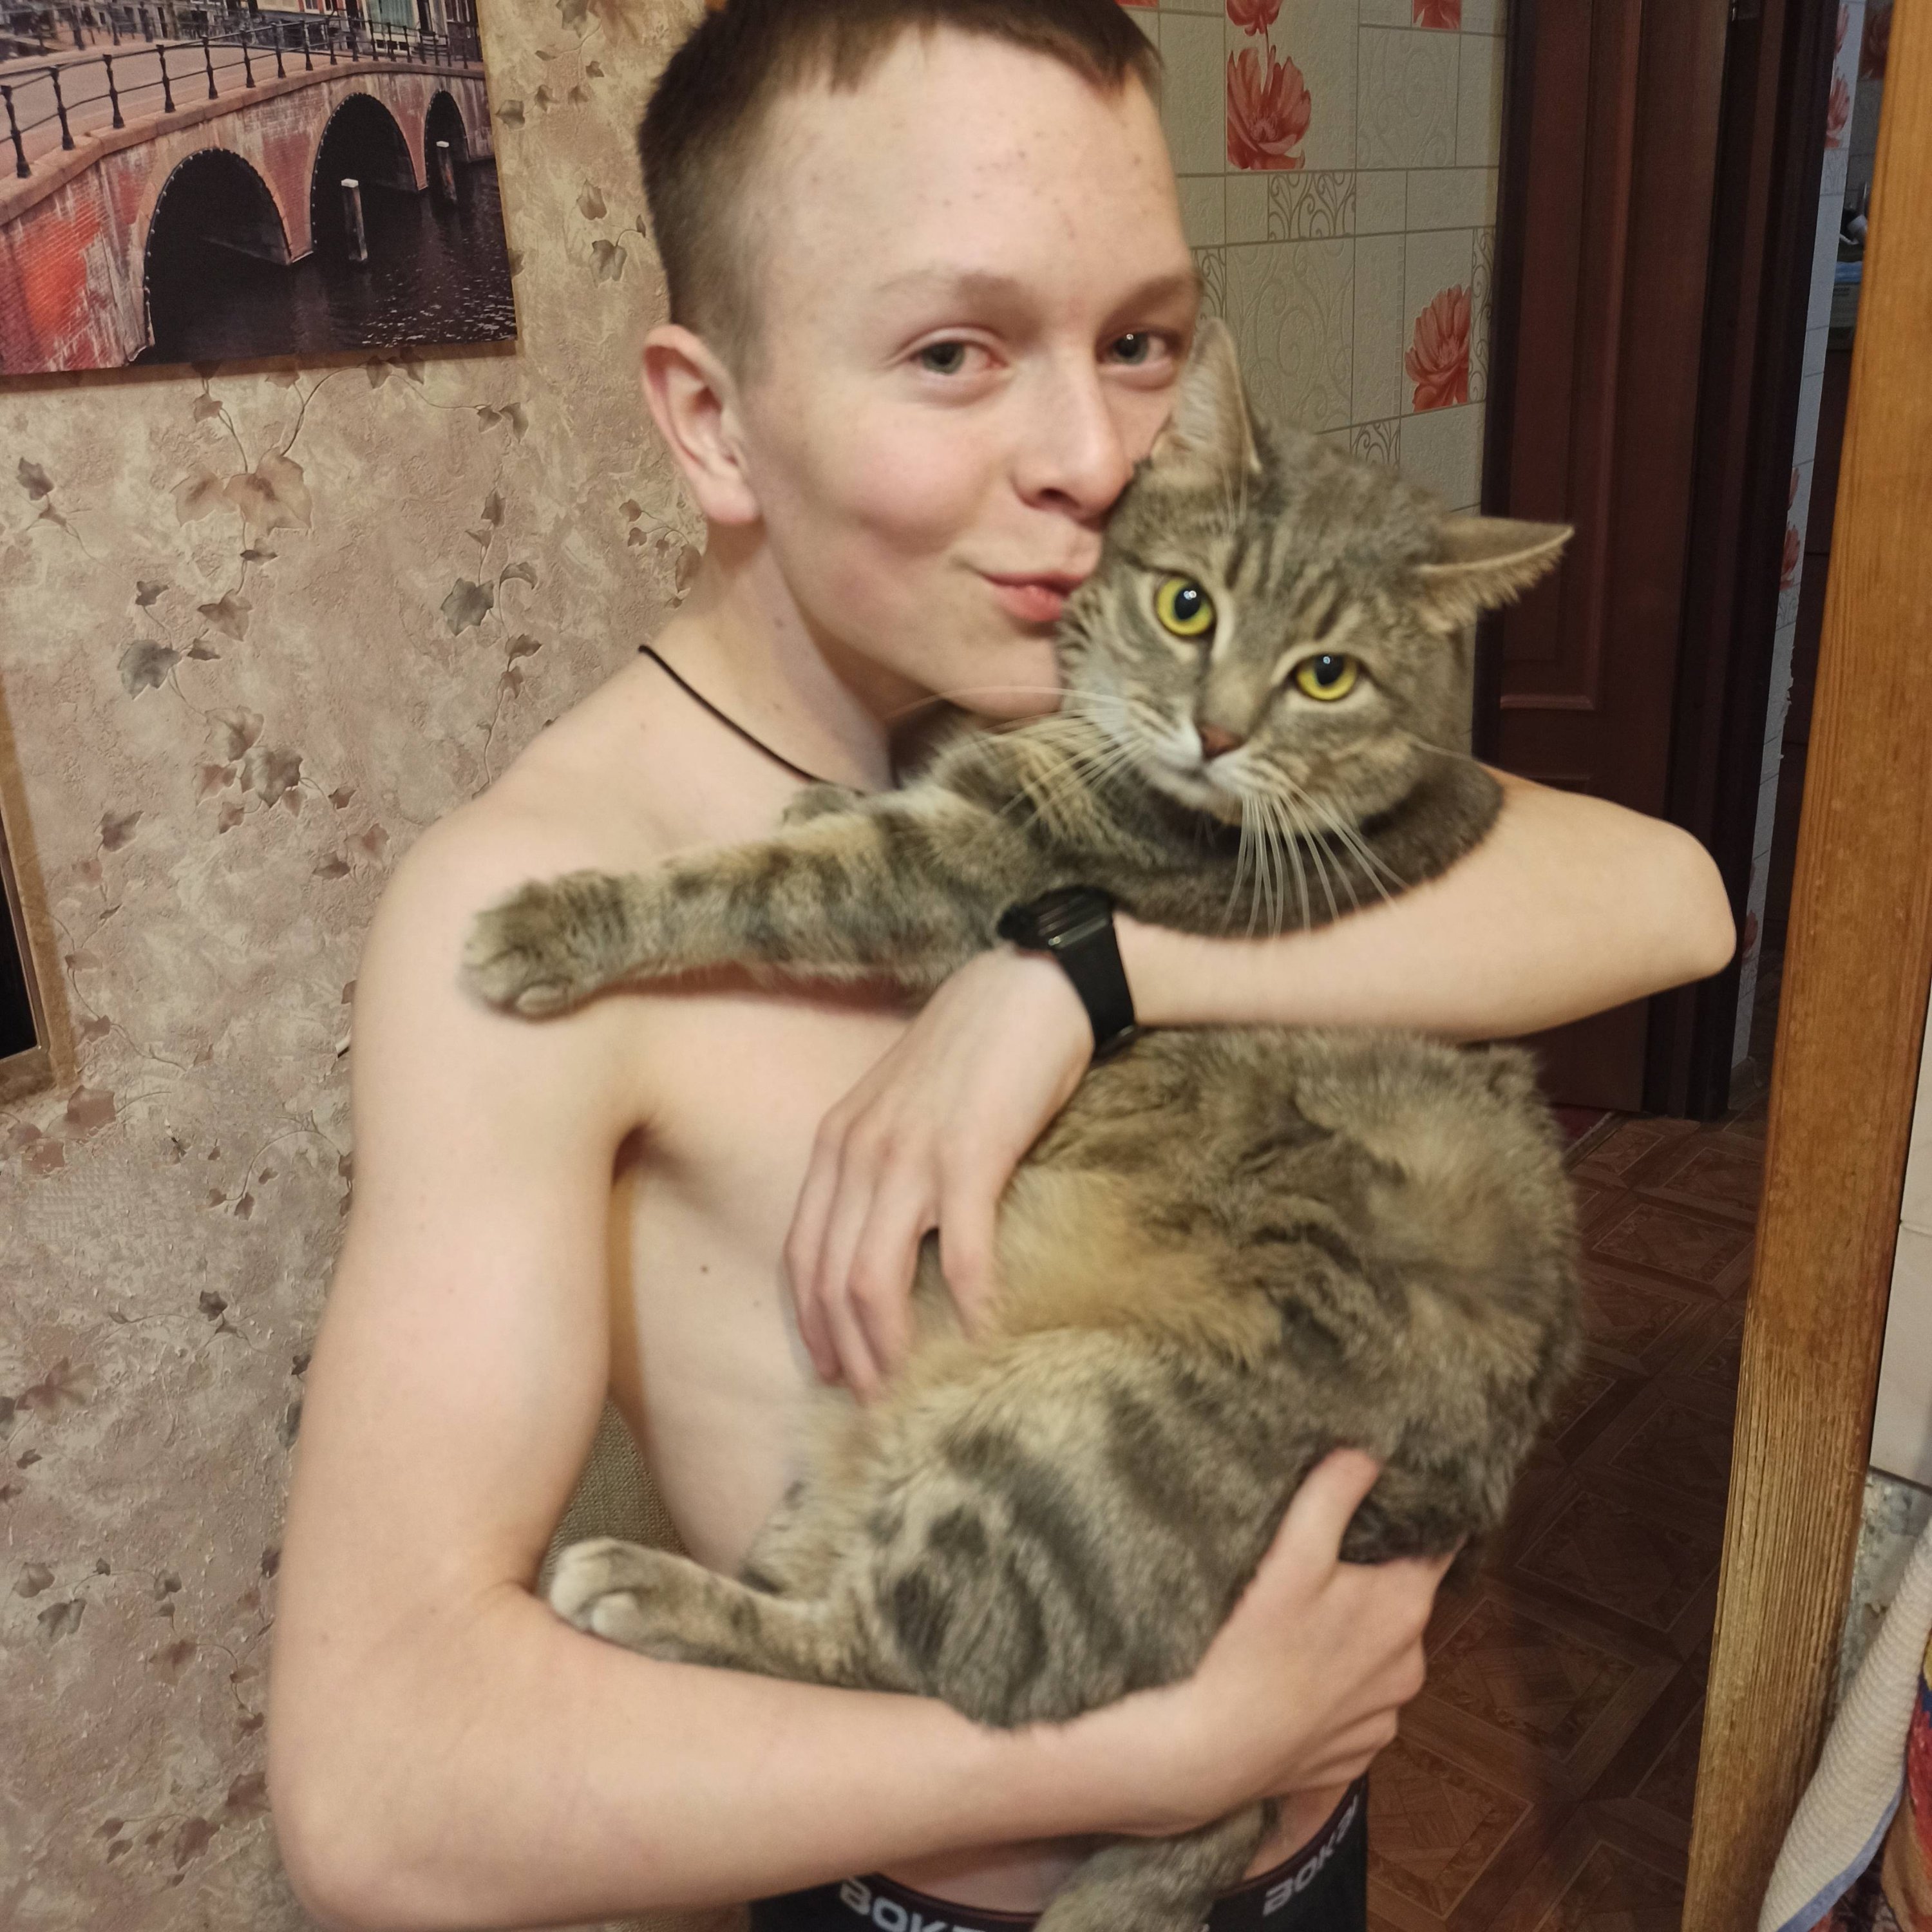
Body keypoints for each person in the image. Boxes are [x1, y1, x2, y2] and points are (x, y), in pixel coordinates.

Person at [266, 4, 1738, 1928]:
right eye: (955, 353)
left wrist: (1080, 975)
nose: (1097, 458)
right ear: (714, 420)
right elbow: (378, 1788)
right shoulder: (540, 900)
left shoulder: (1142, 725)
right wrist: (1156, 1762)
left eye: (1139, 343)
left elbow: (1671, 898)